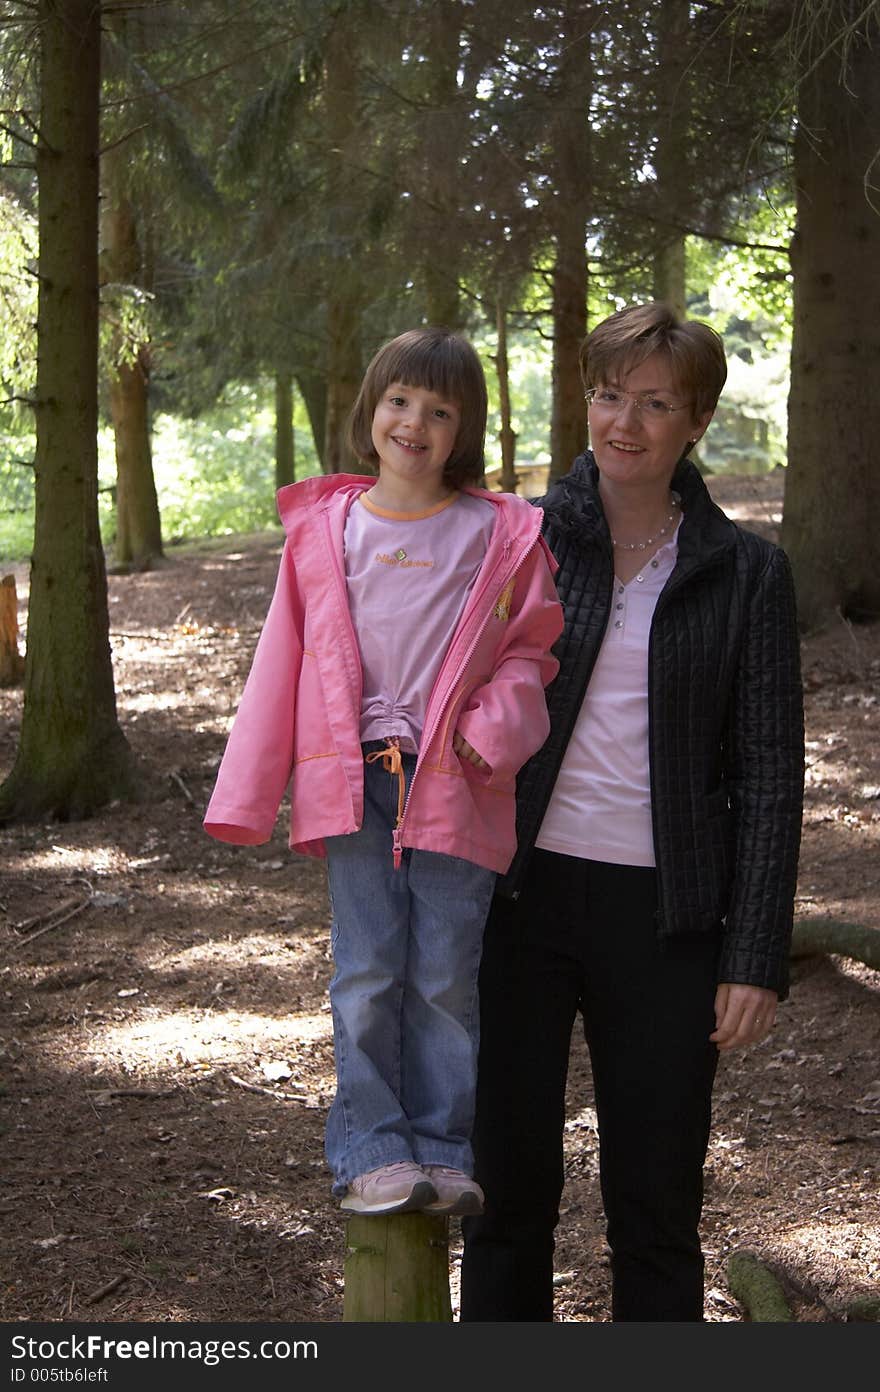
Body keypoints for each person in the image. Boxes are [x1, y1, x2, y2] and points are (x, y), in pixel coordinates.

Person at [459, 301, 805, 1322]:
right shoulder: (513, 540)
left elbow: (771, 776)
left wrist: (753, 955)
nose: (625, 422)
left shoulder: (745, 573)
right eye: (609, 394)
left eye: (655, 403)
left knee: (654, 1208)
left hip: (668, 920)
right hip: (513, 901)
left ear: (693, 420)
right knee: (506, 1195)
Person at [203, 327, 563, 1221]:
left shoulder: (501, 534)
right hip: (355, 780)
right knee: (366, 970)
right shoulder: (327, 532)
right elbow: (279, 662)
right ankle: (371, 1148)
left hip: (459, 781)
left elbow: (533, 653)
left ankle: (441, 1149)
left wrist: (497, 728)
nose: (415, 423)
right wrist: (248, 794)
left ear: (464, 429)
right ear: (370, 411)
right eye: (400, 400)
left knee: (444, 973)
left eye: (440, 411)